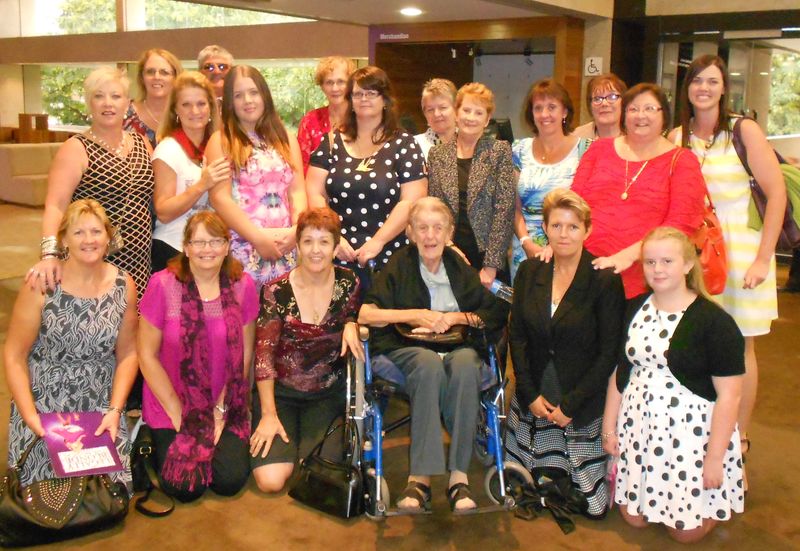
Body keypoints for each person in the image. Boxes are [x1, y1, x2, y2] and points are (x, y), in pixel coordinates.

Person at [671, 55, 786, 479]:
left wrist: (763, 258)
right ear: (686, 88)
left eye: (712, 81)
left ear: (724, 88)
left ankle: (740, 439)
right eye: (696, 80)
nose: (704, 88)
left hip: (742, 255)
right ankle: (704, 436)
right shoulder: (677, 136)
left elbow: (776, 194)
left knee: (740, 348)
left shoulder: (743, 130)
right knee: (697, 345)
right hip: (697, 256)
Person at [358, 197, 509, 513]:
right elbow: (366, 314)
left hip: (457, 347)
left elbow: (492, 313)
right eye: (422, 228)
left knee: (466, 365)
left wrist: (454, 318)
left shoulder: (458, 267)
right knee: (428, 365)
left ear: (449, 232)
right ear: (410, 232)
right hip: (406, 349)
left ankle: (459, 477)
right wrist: (418, 315)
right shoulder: (399, 264)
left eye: (438, 228)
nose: (430, 236)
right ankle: (420, 478)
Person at [603, 227, 745, 543]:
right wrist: (609, 428)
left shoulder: (715, 321)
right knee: (634, 519)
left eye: (667, 261)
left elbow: (730, 396)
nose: (657, 269)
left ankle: (712, 499)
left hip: (690, 436)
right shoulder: (634, 308)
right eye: (650, 262)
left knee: (685, 535)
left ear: (688, 265)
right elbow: (620, 372)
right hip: (641, 427)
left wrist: (714, 458)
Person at [505, 188, 624, 518]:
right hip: (535, 397)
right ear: (544, 228)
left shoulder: (604, 280)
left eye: (573, 226)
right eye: (556, 225)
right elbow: (518, 336)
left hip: (581, 400)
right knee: (523, 487)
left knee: (592, 507)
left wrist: (572, 405)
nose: (563, 234)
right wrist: (529, 393)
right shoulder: (530, 272)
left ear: (588, 230)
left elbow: (608, 353)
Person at [5, 199, 138, 490]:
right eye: (78, 232)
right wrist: (31, 417)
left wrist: (115, 410)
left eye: (96, 231)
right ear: (63, 239)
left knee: (106, 497)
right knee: (44, 497)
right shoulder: (42, 284)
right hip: (45, 400)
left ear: (108, 237)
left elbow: (128, 353)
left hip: (99, 401)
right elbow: (14, 355)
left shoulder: (124, 284)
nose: (89, 240)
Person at [138, 211, 258, 502]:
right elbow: (146, 354)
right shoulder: (162, 285)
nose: (207, 249)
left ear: (227, 246)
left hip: (223, 401)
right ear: (186, 247)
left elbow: (245, 355)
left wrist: (219, 411)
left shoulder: (243, 286)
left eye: (215, 241)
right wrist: (178, 412)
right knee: (184, 488)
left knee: (228, 481)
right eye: (199, 242)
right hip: (173, 401)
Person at [249, 207, 362, 493]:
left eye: (324, 242)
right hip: (281, 395)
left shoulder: (349, 282)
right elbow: (263, 357)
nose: (315, 250)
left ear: (335, 247)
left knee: (315, 476)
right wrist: (268, 414)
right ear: (297, 246)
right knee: (271, 481)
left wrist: (352, 323)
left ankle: (304, 448)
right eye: (308, 241)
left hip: (326, 394)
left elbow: (354, 313)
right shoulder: (275, 290)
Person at [27, 66, 154, 302]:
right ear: (89, 103)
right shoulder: (76, 148)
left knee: (134, 320)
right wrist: (49, 254)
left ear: (127, 103)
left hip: (140, 258)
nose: (108, 103)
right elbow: (55, 206)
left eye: (116, 96)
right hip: (92, 255)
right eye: (99, 96)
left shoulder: (142, 142)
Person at [571, 83, 706, 298]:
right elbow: (573, 204)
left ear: (664, 115)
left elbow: (680, 225)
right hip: (586, 271)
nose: (640, 115)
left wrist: (627, 257)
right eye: (633, 109)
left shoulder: (682, 161)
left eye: (649, 108)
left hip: (647, 278)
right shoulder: (599, 149)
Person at [307, 65, 427, 289]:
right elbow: (315, 193)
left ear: (385, 99)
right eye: (357, 94)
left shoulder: (404, 144)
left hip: (390, 254)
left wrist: (378, 241)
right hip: (337, 252)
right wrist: (333, 236)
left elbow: (411, 201)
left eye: (371, 93)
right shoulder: (331, 142)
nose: (364, 99)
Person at [206, 65, 307, 288]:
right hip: (242, 248)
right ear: (230, 102)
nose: (248, 100)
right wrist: (258, 239)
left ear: (264, 95)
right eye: (238, 95)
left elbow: (297, 191)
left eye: (254, 92)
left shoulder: (286, 138)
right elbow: (220, 198)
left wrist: (296, 231)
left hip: (286, 245)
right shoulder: (221, 141)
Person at [427, 82, 515, 287]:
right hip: (448, 251)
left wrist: (491, 265)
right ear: (456, 113)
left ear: (487, 120)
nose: (471, 117)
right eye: (466, 110)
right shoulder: (437, 154)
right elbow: (435, 208)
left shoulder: (499, 151)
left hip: (487, 256)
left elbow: (504, 210)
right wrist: (447, 246)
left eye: (479, 112)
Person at [510, 79, 591, 279]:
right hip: (525, 251)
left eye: (552, 107)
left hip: (568, 248)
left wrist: (555, 245)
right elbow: (513, 206)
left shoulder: (586, 149)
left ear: (564, 112)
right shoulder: (518, 149)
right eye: (538, 108)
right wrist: (526, 242)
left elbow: (590, 207)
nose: (544, 114)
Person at [151, 71, 229, 272]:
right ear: (175, 109)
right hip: (173, 248)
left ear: (211, 107)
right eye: (186, 104)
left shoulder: (217, 146)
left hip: (209, 250)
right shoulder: (168, 149)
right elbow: (163, 212)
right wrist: (202, 184)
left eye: (201, 104)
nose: (195, 111)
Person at [297, 56, 356, 173]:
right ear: (322, 86)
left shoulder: (362, 119)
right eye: (329, 82)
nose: (335, 88)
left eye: (341, 82)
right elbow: (301, 166)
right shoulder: (310, 121)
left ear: (351, 85)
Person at [124, 48, 182, 149]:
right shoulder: (124, 114)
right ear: (142, 78)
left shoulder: (185, 116)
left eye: (164, 72)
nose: (157, 77)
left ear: (176, 78)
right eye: (150, 72)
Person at [573, 73, 627, 140]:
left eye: (612, 97)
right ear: (590, 106)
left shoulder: (635, 135)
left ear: (624, 102)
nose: (604, 103)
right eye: (597, 99)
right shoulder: (577, 138)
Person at [414, 78, 458, 159]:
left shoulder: (471, 143)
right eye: (430, 110)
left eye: (443, 108)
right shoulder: (414, 145)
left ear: (456, 109)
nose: (436, 114)